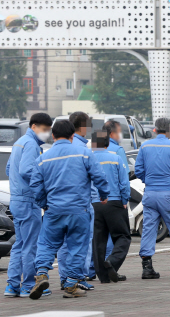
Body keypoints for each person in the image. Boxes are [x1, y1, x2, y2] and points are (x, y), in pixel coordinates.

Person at [28, 120, 110, 300]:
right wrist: (104, 195)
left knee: (47, 244)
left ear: (53, 136)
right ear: (73, 135)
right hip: (79, 210)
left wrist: (44, 203)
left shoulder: (42, 159)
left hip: (54, 210)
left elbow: (35, 185)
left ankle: (41, 273)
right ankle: (71, 284)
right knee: (77, 246)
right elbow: (99, 176)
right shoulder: (84, 153)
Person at [4, 113, 53, 298]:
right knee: (31, 245)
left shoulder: (20, 142)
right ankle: (29, 285)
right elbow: (27, 170)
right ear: (34, 126)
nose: (47, 134)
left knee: (20, 244)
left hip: (17, 199)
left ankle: (12, 286)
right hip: (27, 200)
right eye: (45, 129)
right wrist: (40, 185)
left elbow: (10, 169)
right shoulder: (31, 144)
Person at [135, 118, 170, 279]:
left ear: (155, 129)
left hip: (150, 193)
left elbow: (139, 169)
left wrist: (148, 180)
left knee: (149, 230)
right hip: (169, 192)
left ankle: (147, 267)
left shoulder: (145, 146)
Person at [57, 112, 96, 291]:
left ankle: (65, 277)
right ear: (83, 127)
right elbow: (96, 177)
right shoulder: (83, 150)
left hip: (58, 204)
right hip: (80, 203)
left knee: (64, 243)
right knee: (81, 242)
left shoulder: (57, 149)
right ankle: (77, 277)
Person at [91, 131, 131, 284]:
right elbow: (124, 182)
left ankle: (103, 276)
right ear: (108, 144)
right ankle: (112, 262)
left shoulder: (89, 159)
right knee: (123, 236)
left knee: (98, 240)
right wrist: (125, 198)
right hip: (114, 202)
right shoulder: (115, 158)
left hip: (95, 204)